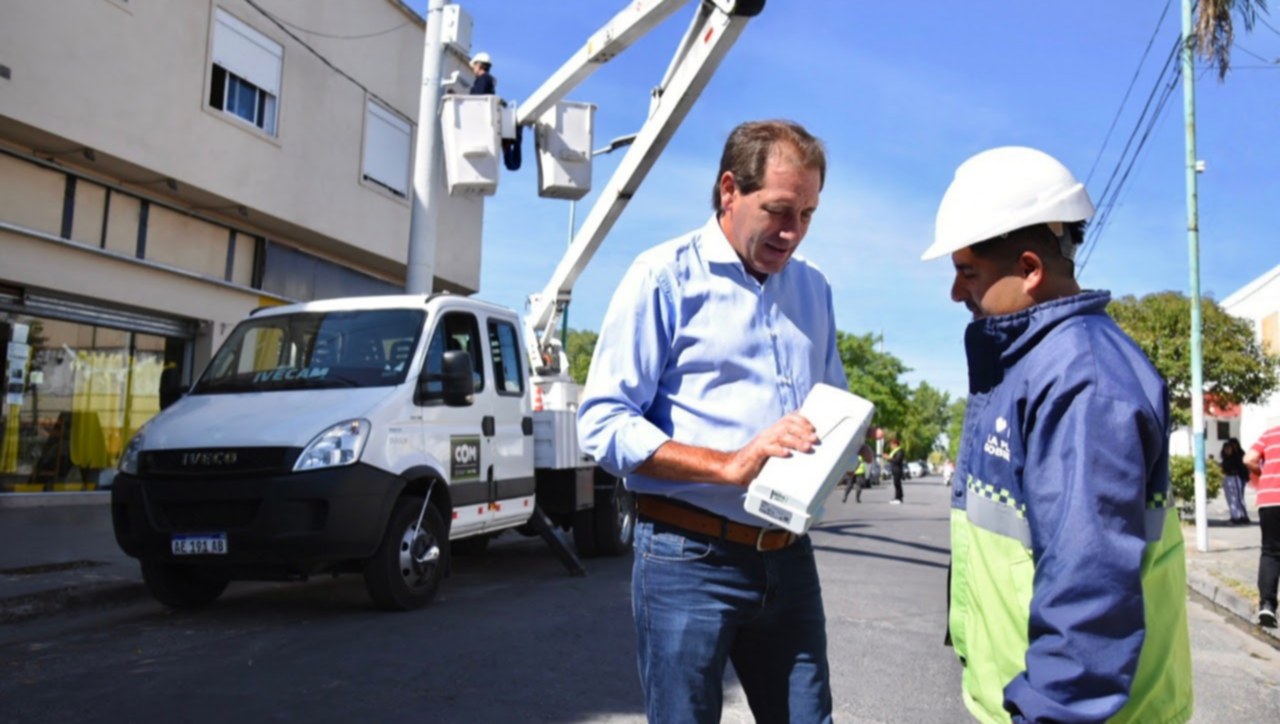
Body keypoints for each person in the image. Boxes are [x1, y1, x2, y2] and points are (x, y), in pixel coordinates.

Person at [578, 120, 844, 724]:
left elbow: (831, 402)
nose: (792, 232)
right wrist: (728, 465)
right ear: (730, 189)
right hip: (687, 559)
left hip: (788, 556)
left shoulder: (814, 289)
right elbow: (602, 422)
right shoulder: (663, 276)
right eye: (778, 210)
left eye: (806, 214)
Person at [922, 146, 1192, 724]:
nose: (955, 293)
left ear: (1029, 269)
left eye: (967, 272)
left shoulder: (1083, 381)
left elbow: (1088, 588)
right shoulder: (1034, 365)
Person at [1244, 425, 1280, 628]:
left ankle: (1267, 605)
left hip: (1269, 500)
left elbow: (1249, 458)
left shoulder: (1271, 433)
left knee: (1270, 552)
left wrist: (1264, 473)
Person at [1220, 437, 1251, 524]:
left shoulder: (1237, 456)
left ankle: (1243, 516)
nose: (1227, 450)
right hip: (1227, 478)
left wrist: (1245, 477)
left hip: (1235, 477)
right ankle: (1235, 516)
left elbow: (1242, 467)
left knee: (1238, 498)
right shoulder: (1225, 458)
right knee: (1231, 499)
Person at [883, 436, 904, 504]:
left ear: (895, 444)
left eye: (891, 444)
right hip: (894, 469)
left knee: (897, 484)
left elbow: (897, 460)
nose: (891, 446)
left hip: (897, 469)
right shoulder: (895, 451)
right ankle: (898, 497)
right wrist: (887, 457)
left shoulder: (900, 451)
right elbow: (892, 460)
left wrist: (888, 458)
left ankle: (898, 498)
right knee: (896, 484)